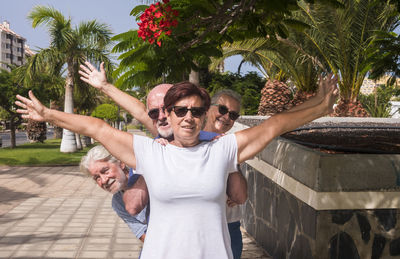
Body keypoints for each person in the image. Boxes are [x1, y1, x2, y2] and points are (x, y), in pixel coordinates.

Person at [16, 76, 337, 259]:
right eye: (180, 110)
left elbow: (275, 125)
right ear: (166, 115)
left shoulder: (222, 148)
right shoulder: (149, 152)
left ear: (203, 115)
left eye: (196, 111)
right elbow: (98, 128)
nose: (188, 117)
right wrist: (48, 115)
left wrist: (322, 106)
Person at [80, 145, 148, 242]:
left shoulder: (147, 179)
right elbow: (141, 233)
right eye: (97, 178)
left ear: (122, 164)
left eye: (105, 171)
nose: (103, 180)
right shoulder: (118, 202)